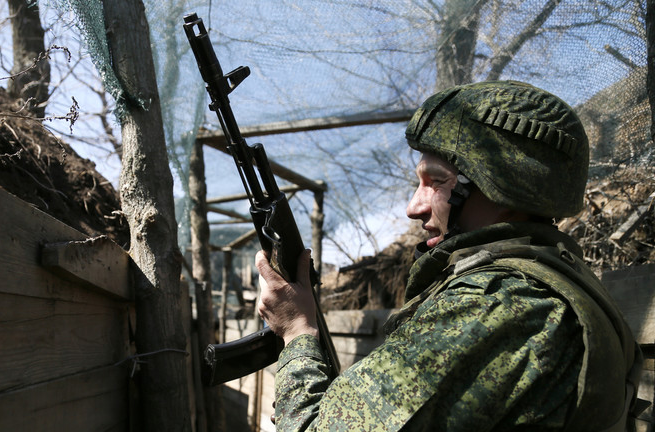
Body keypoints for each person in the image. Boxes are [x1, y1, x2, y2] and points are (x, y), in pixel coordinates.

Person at [256, 80, 642, 431]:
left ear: (503, 191)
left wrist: (297, 330)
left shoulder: (499, 303)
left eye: (436, 182)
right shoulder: (552, 280)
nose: (413, 207)